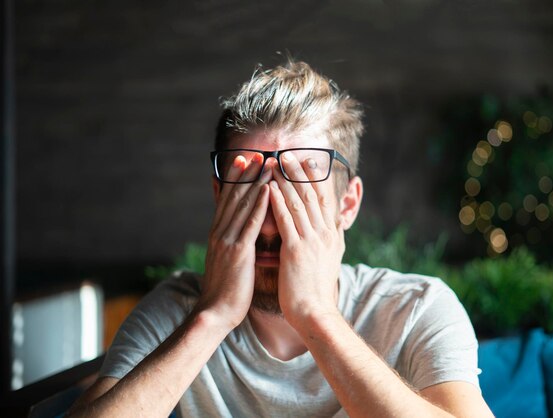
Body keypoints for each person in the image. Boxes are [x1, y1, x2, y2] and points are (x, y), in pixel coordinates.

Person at [68, 60, 493, 418]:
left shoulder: (418, 308)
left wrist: (316, 316)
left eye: (299, 192)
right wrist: (212, 316)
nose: (270, 226)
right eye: (248, 191)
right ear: (220, 198)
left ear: (347, 205)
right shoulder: (176, 311)